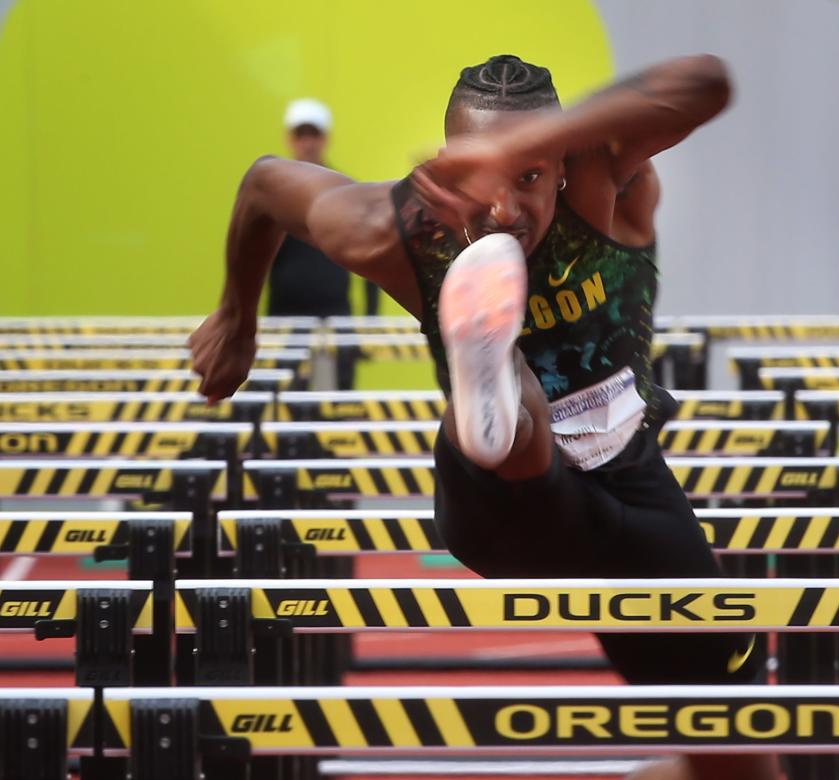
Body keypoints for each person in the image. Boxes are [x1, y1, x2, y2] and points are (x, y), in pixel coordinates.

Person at [190, 54, 777, 780]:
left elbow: (708, 83)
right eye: (479, 181)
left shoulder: (606, 178)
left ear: (563, 162)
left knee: (734, 752)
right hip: (502, 502)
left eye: (529, 175)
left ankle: (501, 381)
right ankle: (494, 379)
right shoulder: (398, 225)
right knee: (518, 427)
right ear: (444, 169)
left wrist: (510, 147)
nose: (504, 208)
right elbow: (264, 185)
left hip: (629, 498)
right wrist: (236, 316)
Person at [267, 97, 380, 389]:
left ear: (325, 138)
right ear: (289, 139)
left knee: (327, 405)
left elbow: (371, 257)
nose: (307, 142)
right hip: (284, 322)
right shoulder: (273, 197)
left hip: (331, 322)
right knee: (287, 408)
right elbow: (251, 260)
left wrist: (369, 323)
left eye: (313, 133)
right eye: (300, 134)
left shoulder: (346, 193)